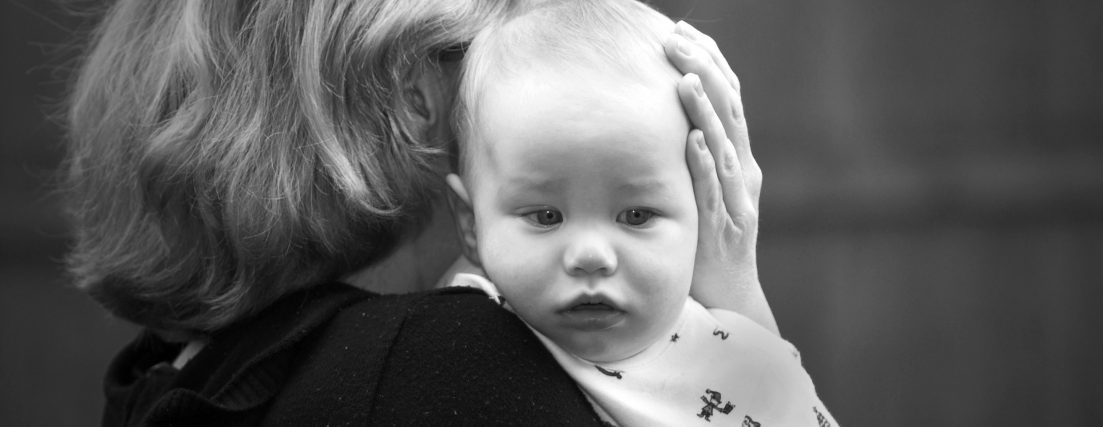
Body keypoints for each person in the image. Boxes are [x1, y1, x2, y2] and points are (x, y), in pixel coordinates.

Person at [62, 0, 765, 425]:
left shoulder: (172, 374)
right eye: (493, 60)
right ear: (417, 98)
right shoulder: (440, 364)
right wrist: (731, 297)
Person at [443, 1, 836, 425]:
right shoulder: (460, 330)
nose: (591, 255)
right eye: (545, 216)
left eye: (635, 215)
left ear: (706, 214)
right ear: (470, 224)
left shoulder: (732, 356)